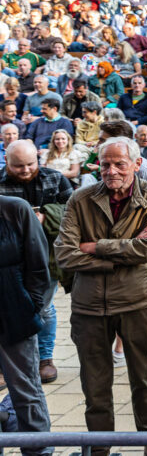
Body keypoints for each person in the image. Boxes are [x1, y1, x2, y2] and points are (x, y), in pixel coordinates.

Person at [54, 136, 147, 456]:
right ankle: (98, 451)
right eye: (105, 164)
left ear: (137, 164)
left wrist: (95, 246)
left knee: (144, 383)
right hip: (88, 306)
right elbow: (65, 255)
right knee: (95, 389)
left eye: (120, 164)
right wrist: (123, 251)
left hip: (138, 302)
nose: (111, 171)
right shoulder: (80, 198)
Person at [0, 139, 74, 384]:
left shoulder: (55, 178)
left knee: (43, 306)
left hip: (47, 256)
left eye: (30, 164)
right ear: (7, 162)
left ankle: (44, 359)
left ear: (38, 160)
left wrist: (45, 215)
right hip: (8, 259)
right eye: (18, 166)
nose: (25, 170)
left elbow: (74, 212)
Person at [0, 195, 53, 456]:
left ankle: (38, 451)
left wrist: (31, 307)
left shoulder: (14, 209)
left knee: (26, 391)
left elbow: (39, 265)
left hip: (14, 314)